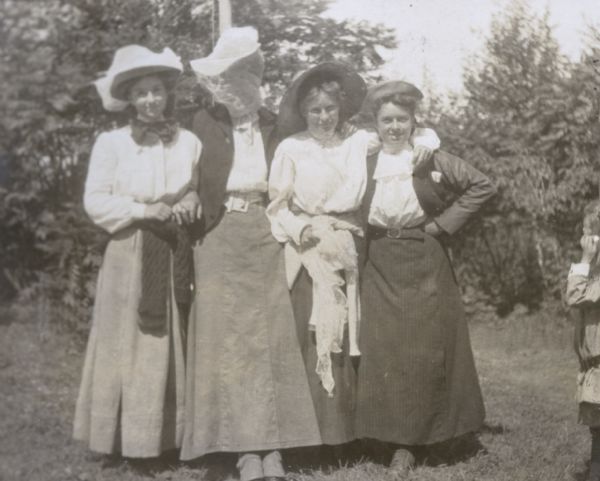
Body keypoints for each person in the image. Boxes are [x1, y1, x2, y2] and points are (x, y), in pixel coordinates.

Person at [268, 65, 440, 447]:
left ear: (341, 109)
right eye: (315, 111)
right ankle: (301, 437)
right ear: (303, 112)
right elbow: (276, 205)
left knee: (346, 335)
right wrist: (301, 228)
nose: (324, 117)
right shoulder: (291, 148)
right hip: (307, 249)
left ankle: (342, 434)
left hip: (346, 246)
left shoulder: (358, 142)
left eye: (330, 108)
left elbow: (399, 132)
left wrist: (429, 135)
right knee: (309, 335)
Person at [180, 27, 321, 481]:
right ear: (215, 84)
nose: (235, 87)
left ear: (256, 78)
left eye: (244, 76)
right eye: (225, 78)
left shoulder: (278, 125)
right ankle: (241, 450)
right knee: (227, 341)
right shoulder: (199, 122)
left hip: (266, 232)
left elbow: (315, 157)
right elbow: (181, 168)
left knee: (270, 340)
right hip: (219, 235)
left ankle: (273, 449)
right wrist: (186, 192)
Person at [355, 80, 494, 475]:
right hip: (378, 261)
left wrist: (443, 224)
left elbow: (481, 185)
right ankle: (383, 435)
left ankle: (414, 443)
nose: (394, 127)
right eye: (387, 120)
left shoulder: (428, 156)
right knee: (384, 350)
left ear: (414, 121)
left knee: (422, 351)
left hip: (424, 260)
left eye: (402, 119)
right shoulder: (365, 159)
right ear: (376, 123)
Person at [73, 45, 202, 457]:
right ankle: (121, 438)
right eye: (142, 93)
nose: (151, 100)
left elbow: (197, 186)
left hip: (175, 251)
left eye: (157, 91)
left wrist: (191, 198)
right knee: (127, 342)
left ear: (168, 94)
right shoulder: (111, 144)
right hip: (129, 253)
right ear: (129, 99)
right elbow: (95, 201)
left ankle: (168, 439)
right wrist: (144, 208)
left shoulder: (189, 141)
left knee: (170, 339)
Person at [566, 200, 600, 481]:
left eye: (587, 232)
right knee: (597, 426)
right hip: (594, 359)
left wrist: (585, 260)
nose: (582, 239)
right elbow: (580, 311)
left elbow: (575, 296)